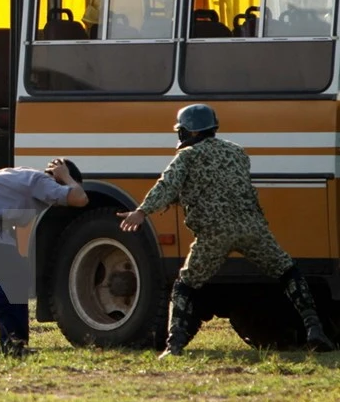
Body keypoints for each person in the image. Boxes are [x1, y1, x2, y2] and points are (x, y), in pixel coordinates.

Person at [118, 104, 336, 357]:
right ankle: (315, 329)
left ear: (190, 132)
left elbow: (167, 185)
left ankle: (174, 345)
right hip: (252, 227)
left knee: (185, 285)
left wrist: (142, 211)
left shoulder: (187, 156)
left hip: (214, 233)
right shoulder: (237, 152)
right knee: (288, 271)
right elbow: (230, 188)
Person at [0, 159, 88, 357]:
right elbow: (80, 198)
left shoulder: (26, 178)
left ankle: (12, 345)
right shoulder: (42, 181)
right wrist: (65, 176)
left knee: (12, 282)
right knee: (17, 282)